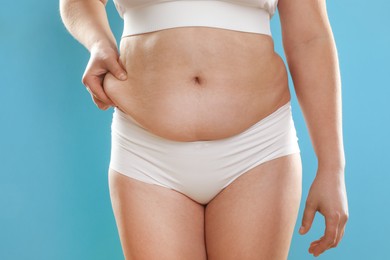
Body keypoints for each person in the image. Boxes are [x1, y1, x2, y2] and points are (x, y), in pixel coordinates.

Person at [59, 0, 349, 258]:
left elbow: (310, 38)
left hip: (258, 149)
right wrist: (98, 42)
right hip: (146, 153)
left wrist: (332, 167)